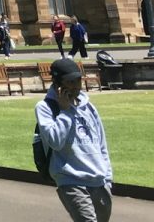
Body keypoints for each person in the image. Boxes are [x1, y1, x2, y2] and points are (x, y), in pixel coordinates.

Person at [36, 58, 112, 221]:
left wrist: (107, 177)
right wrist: (65, 111)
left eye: (78, 80)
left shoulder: (89, 107)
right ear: (57, 83)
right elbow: (55, 141)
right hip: (70, 179)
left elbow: (101, 144)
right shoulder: (45, 108)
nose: (76, 85)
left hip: (99, 179)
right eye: (70, 81)